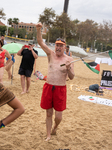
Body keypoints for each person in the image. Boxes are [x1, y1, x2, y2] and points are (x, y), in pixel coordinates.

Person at [36, 23, 75, 141]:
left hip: (60, 89)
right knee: (48, 113)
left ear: (65, 48)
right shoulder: (51, 54)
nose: (58, 47)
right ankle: (48, 135)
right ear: (55, 46)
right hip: (48, 87)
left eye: (61, 46)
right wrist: (38, 30)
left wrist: (68, 68)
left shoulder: (69, 59)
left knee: (58, 117)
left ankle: (55, 127)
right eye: (57, 45)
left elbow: (72, 77)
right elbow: (40, 42)